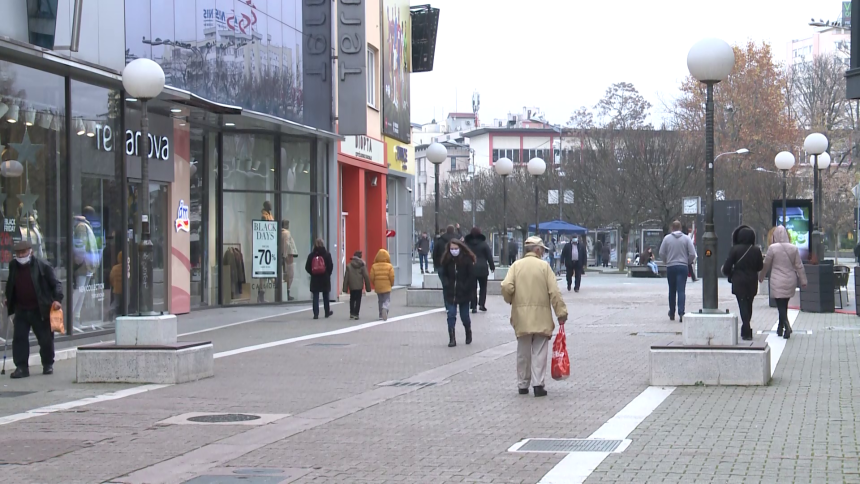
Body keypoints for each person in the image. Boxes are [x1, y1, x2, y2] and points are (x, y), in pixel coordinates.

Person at [502, 236, 568, 397]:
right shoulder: (544, 267)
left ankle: (522, 384)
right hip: (541, 316)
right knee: (539, 351)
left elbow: (506, 286)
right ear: (537, 250)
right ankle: (538, 384)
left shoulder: (516, 266)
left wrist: (511, 299)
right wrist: (561, 313)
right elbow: (555, 292)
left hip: (521, 316)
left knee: (522, 351)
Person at [5, 240, 63, 378]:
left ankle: (48, 364)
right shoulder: (13, 266)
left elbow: (56, 284)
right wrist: (9, 298)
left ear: (30, 252)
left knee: (45, 339)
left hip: (40, 308)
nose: (20, 255)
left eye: (23, 252)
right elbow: (11, 283)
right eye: (18, 253)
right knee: (19, 339)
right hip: (21, 308)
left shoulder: (42, 265)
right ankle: (21, 367)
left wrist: (57, 299)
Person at [760, 225, 807, 339]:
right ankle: (780, 328)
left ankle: (787, 325)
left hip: (777, 279)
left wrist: (761, 276)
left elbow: (766, 264)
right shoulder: (793, 248)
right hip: (790, 279)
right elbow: (799, 266)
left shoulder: (773, 248)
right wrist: (803, 280)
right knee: (784, 304)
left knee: (780, 305)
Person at [722, 225, 763, 341]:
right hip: (751, 281)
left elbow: (727, 267)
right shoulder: (756, 250)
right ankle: (746, 328)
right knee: (749, 303)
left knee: (742, 303)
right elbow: (760, 266)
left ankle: (746, 328)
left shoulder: (735, 249)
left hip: (739, 281)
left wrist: (730, 274)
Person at [660, 220, 697, 322]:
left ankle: (672, 312)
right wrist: (687, 261)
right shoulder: (686, 239)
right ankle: (681, 313)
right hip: (682, 267)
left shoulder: (667, 239)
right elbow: (692, 253)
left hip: (671, 266)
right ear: (680, 228)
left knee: (672, 290)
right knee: (681, 290)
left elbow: (661, 252)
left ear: (672, 228)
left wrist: (666, 261)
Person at [440, 239, 475, 347]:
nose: (453, 251)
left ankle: (468, 331)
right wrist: (446, 283)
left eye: (456, 249)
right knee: (451, 314)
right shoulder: (446, 260)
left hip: (463, 292)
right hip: (450, 292)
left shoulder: (467, 260)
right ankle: (452, 338)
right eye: (451, 249)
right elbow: (442, 273)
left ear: (460, 248)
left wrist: (466, 287)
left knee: (464, 316)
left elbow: (471, 276)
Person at [465, 227, 495, 313]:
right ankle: (482, 304)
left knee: (472, 288)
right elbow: (489, 256)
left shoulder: (467, 244)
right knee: (483, 287)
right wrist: (492, 266)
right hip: (482, 268)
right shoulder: (484, 244)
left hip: (471, 268)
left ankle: (473, 306)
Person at [305, 238, 334, 319]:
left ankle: (316, 314)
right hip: (325, 278)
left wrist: (313, 273)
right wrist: (327, 274)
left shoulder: (311, 255)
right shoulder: (327, 254)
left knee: (315, 296)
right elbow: (330, 266)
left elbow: (307, 267)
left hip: (315, 279)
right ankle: (327, 312)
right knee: (326, 296)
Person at [343, 251, 372, 320]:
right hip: (359, 286)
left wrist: (345, 288)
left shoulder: (349, 266)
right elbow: (366, 276)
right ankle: (356, 314)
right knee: (358, 299)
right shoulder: (362, 266)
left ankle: (352, 313)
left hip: (352, 286)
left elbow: (346, 278)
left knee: (352, 299)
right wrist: (368, 288)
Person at [369, 249, 396, 321]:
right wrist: (391, 284)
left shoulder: (374, 266)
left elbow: (371, 277)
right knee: (387, 300)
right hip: (387, 286)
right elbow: (392, 276)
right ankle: (385, 308)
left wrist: (375, 283)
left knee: (380, 300)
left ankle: (381, 314)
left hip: (378, 286)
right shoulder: (389, 266)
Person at [280, 220, 299, 301]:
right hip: (288, 256)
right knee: (289, 274)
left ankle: (286, 292)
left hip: (285, 255)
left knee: (285, 275)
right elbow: (286, 245)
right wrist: (284, 255)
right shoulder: (286, 233)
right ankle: (287, 292)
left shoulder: (280, 233)